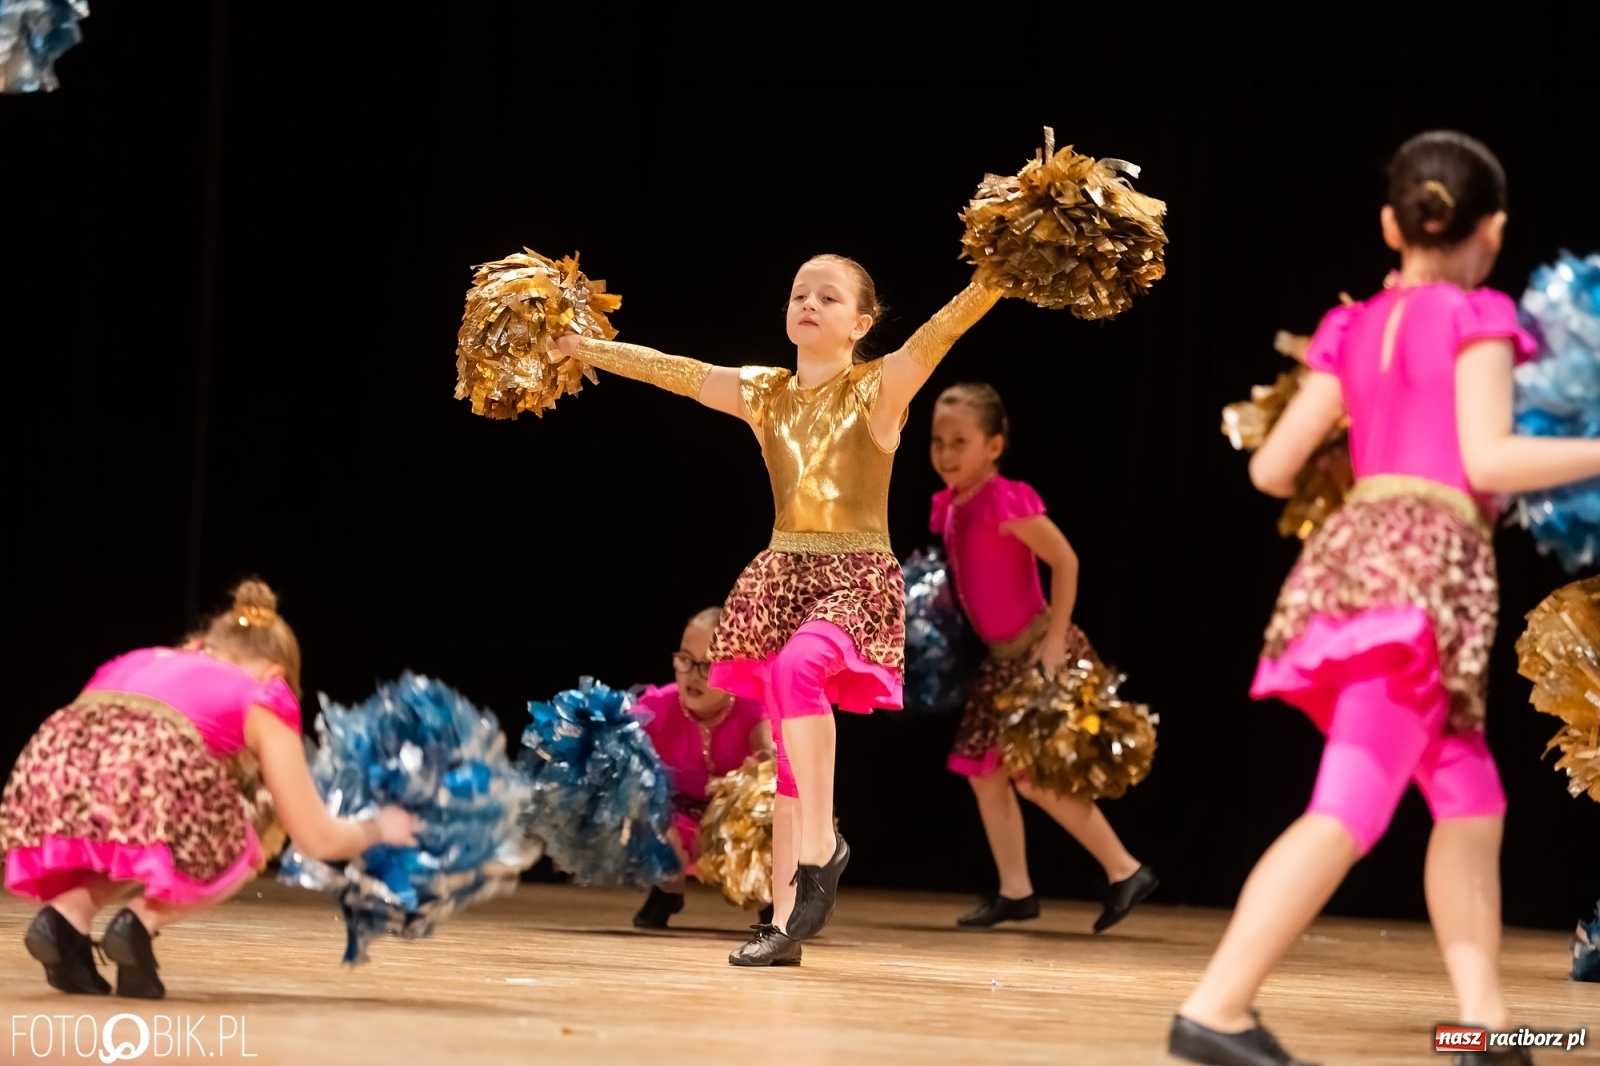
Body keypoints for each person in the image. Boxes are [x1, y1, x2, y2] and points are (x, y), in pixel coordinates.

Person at [1170, 131, 1600, 1066]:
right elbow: (1490, 458)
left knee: (1471, 800)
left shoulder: (1354, 326)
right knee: (1348, 809)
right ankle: (1217, 1006)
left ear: (1390, 226)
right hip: (1425, 580)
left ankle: (1485, 1028)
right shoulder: (1478, 315)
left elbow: (1271, 469)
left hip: (1355, 561)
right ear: (1492, 230)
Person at [556, 254, 1002, 965]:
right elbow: (673, 370)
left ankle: (823, 846)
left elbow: (941, 332)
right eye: (800, 294)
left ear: (860, 324)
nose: (809, 304)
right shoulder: (765, 393)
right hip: (783, 577)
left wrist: (996, 275)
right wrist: (583, 348)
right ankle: (788, 923)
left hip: (855, 574)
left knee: (799, 671)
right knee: (790, 754)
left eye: (829, 297)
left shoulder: (879, 388)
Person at [0, 580, 417, 999]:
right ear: (277, 675)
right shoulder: (263, 697)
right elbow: (315, 837)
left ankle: (65, 918)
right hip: (136, 776)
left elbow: (104, 758)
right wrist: (381, 827)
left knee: (139, 836)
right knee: (257, 823)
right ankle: (139, 922)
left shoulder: (145, 658)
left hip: (44, 781)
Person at [929, 382, 1157, 932]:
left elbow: (1066, 561)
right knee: (986, 774)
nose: (946, 453)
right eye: (938, 441)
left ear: (994, 447)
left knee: (1032, 776)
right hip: (1003, 661)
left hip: (1039, 652)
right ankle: (1017, 890)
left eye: (960, 441)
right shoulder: (952, 505)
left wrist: (1055, 641)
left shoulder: (1004, 501)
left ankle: (1125, 870)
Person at [632, 606, 773, 928]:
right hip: (677, 821)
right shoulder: (657, 707)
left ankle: (772, 902)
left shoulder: (753, 709)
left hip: (733, 824)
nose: (692, 675)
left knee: (774, 803)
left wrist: (764, 763)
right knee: (638, 804)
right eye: (685, 660)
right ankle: (667, 889)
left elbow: (772, 759)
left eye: (708, 665)